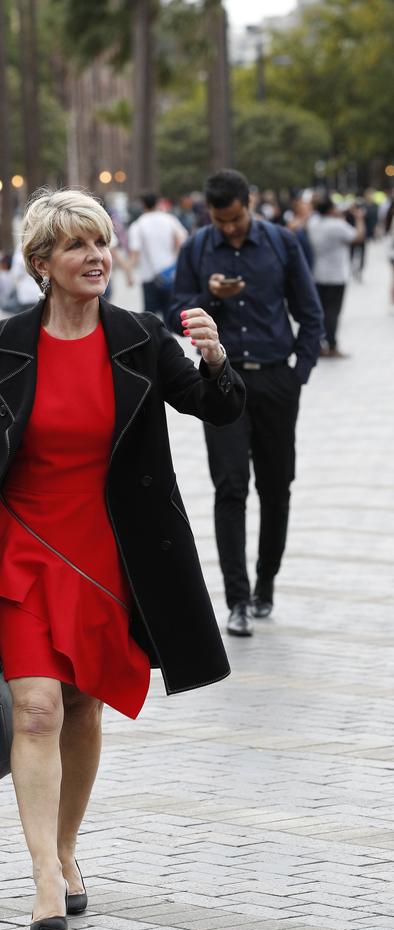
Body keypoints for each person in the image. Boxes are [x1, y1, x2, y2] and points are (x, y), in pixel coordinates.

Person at [0, 188, 245, 930]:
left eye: (102, 243)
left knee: (82, 705)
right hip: (20, 547)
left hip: (108, 552)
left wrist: (212, 354)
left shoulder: (137, 337)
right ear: (42, 262)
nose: (96, 257)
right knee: (38, 705)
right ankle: (44, 872)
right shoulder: (5, 343)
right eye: (77, 246)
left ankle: (68, 847)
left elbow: (217, 408)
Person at [170, 169, 325, 637]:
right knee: (230, 487)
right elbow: (178, 311)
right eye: (221, 221)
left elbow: (310, 313)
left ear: (249, 204)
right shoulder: (197, 248)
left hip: (277, 379)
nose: (230, 228)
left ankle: (266, 586)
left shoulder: (281, 242)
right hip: (222, 382)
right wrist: (209, 296)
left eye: (236, 218)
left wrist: (298, 374)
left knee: (276, 488)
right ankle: (237, 599)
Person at [308, 197, 364, 358]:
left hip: (318, 274)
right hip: (336, 276)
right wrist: (359, 219)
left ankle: (318, 344)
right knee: (332, 312)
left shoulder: (314, 223)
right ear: (331, 209)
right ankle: (331, 345)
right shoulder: (337, 226)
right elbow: (358, 237)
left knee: (320, 312)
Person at [127, 192, 187, 323]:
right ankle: (169, 341)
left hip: (148, 276)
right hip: (169, 274)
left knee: (149, 319)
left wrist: (129, 273)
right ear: (157, 203)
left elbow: (135, 252)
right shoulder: (170, 219)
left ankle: (153, 343)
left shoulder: (138, 225)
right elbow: (182, 240)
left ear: (143, 205)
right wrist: (175, 259)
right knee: (170, 316)